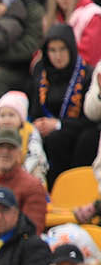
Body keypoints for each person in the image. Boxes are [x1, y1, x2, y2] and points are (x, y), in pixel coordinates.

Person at [29, 25, 96, 177]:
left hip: (79, 132)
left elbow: (91, 119)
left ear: (71, 48)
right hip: (47, 133)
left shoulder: (87, 75)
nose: (58, 56)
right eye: (52, 50)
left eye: (62, 49)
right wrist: (39, 124)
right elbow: (35, 112)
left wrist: (59, 125)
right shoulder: (41, 73)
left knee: (71, 138)